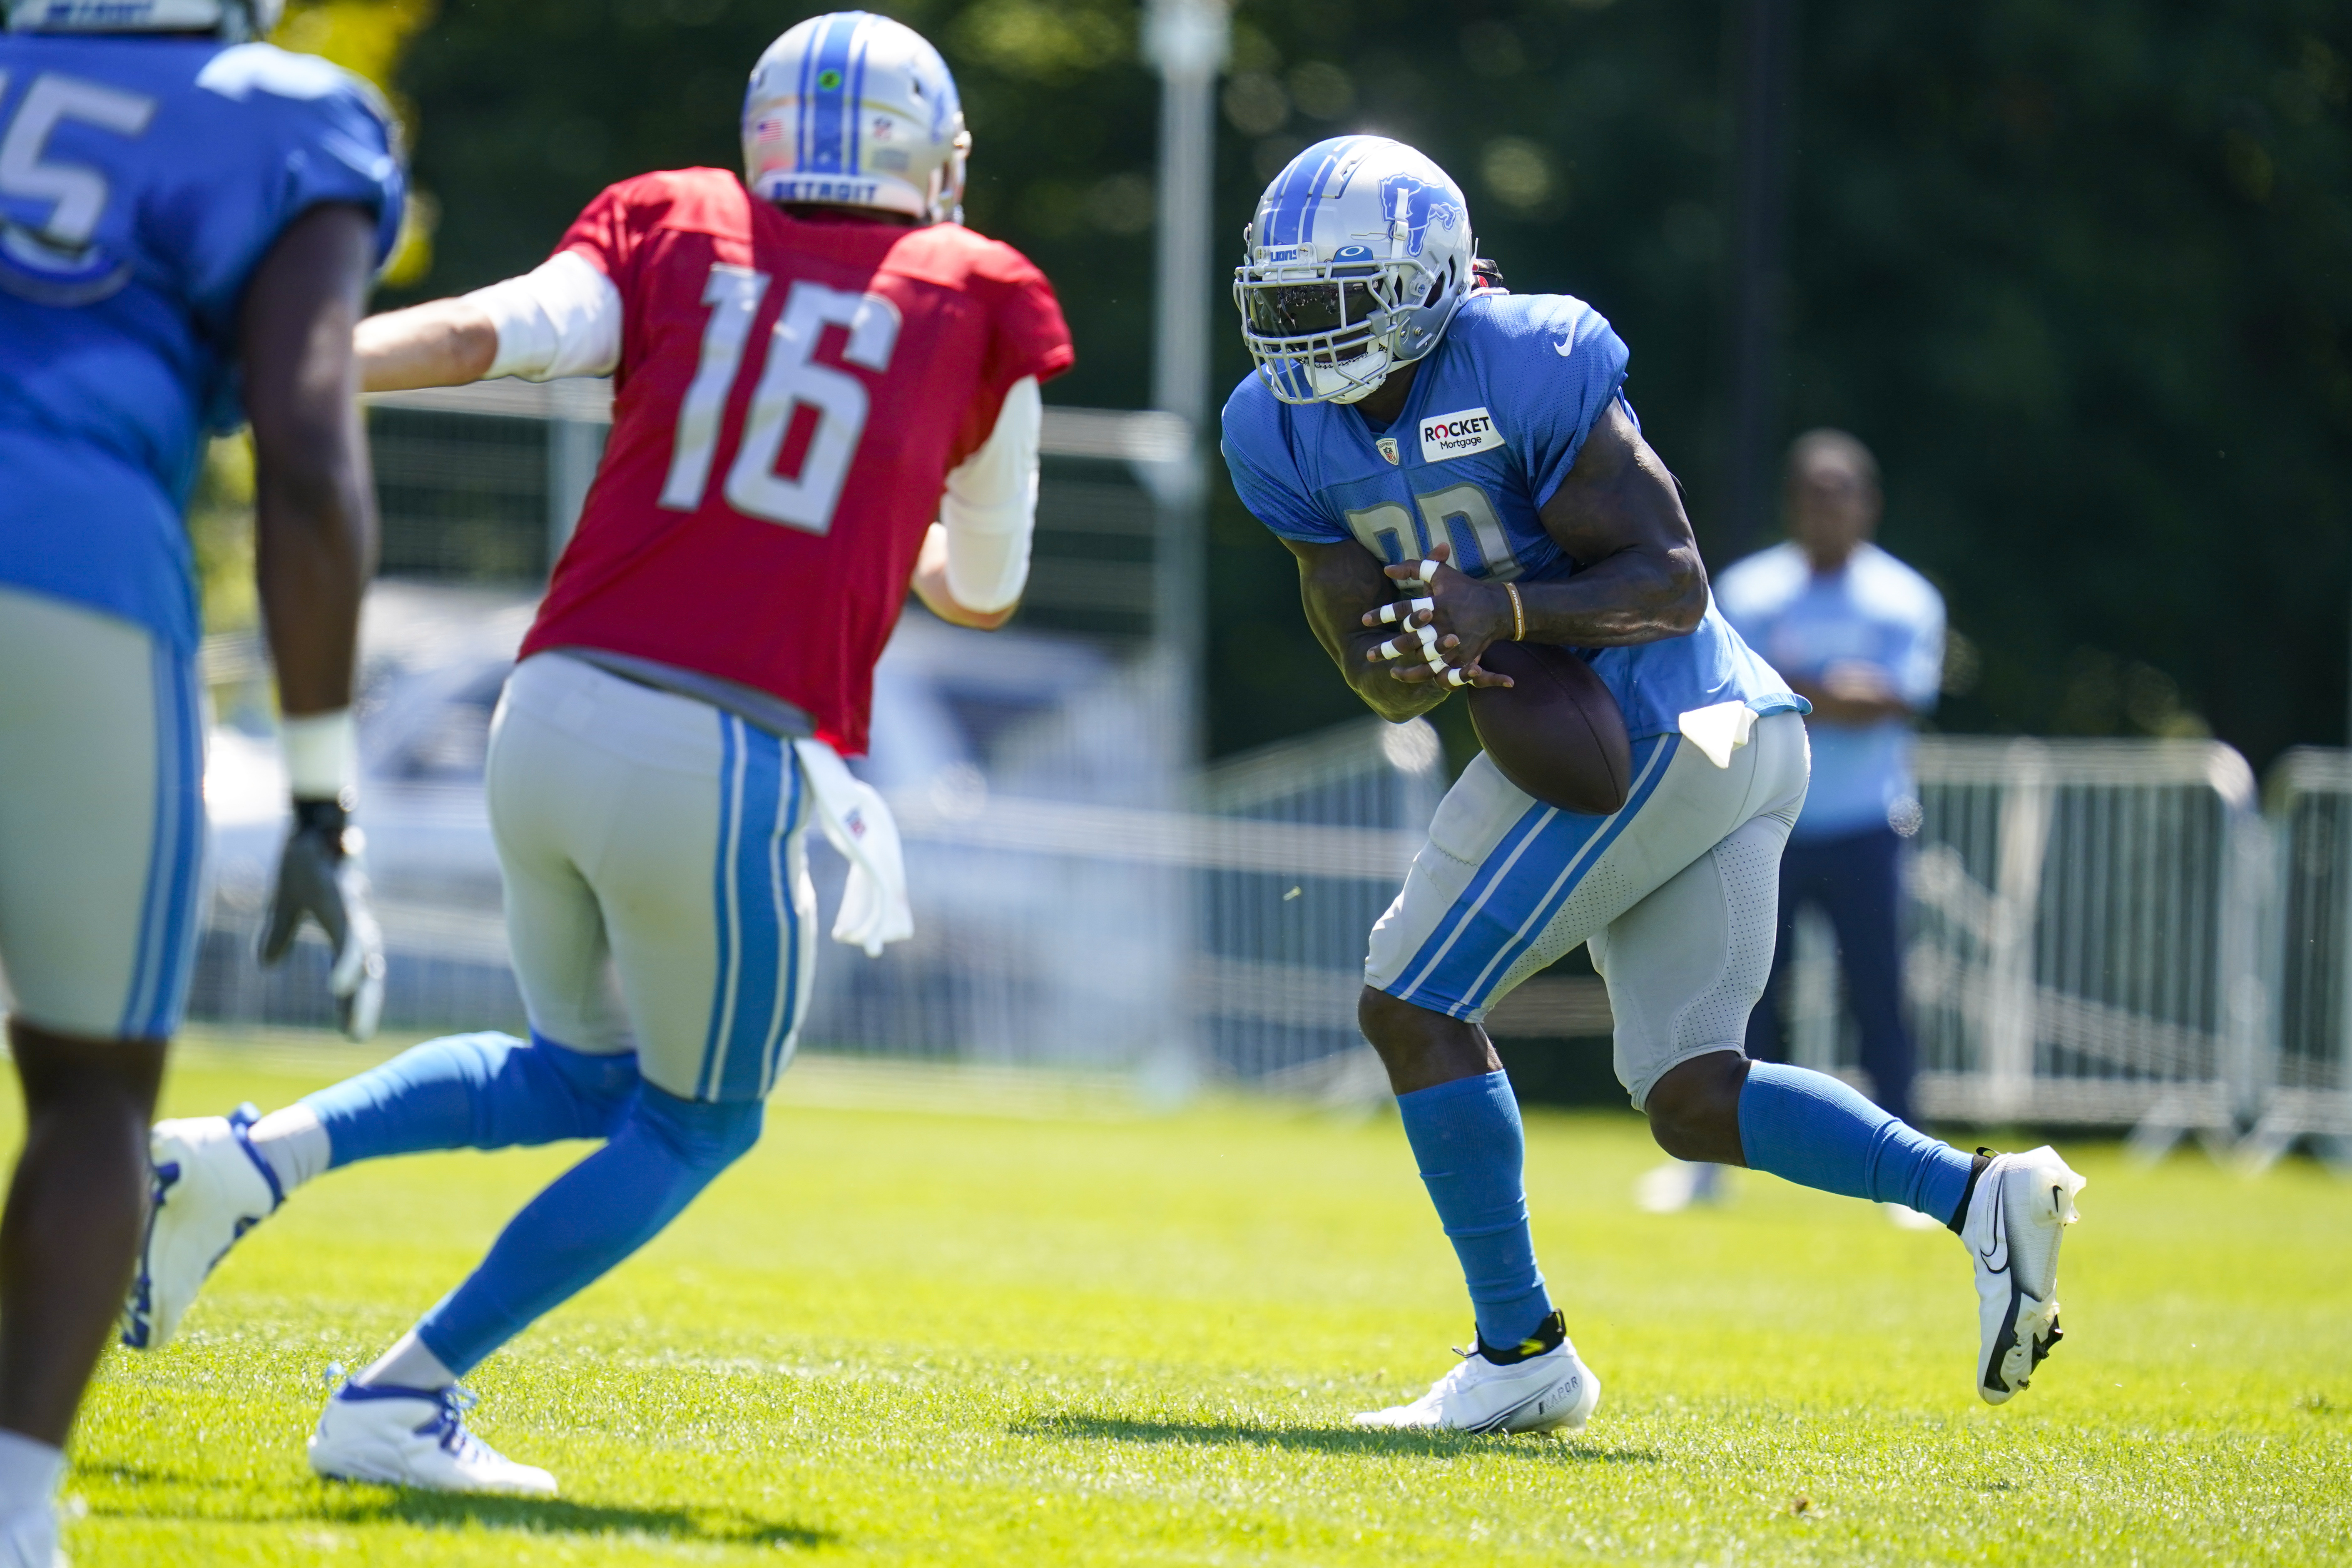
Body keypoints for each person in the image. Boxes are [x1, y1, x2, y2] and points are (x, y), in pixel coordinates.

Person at [122, 11, 1072, 1497]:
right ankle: (400, 1392)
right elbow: (989, 581)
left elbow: (476, 335)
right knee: (701, 1121)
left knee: (582, 1075)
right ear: (924, 161)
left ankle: (248, 1158)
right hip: (720, 749)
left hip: (547, 709)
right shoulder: (981, 295)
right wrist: (880, 510)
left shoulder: (675, 220)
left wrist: (279, 367)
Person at [1221, 135, 2084, 1434]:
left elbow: (1672, 576)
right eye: (1288, 302)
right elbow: (1372, 666)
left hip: (1662, 724)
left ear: (1432, 276)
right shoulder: (1274, 430)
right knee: (1690, 1090)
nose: (1310, 333)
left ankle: (1519, 1350)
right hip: (1735, 741)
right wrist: (1411, 653)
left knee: (1411, 999)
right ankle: (1982, 1195)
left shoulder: (1525, 357)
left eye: (1339, 297)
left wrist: (1501, 605)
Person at [0, 2, 402, 1561]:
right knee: (95, 1088)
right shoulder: (285, 116)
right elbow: (308, 453)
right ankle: (16, 1508)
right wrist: (319, 787)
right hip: (75, 587)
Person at [1695, 431, 1946, 1217]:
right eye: (1812, 493)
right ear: (1793, 503)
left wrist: (1795, 687)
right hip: (1765, 822)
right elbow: (1729, 695)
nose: (1825, 508)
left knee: (1878, 999)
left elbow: (1900, 697)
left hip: (1867, 824)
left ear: (1866, 504)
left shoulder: (1905, 596)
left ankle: (1912, 1175)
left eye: (1840, 494)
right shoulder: (1747, 586)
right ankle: (1715, 1165)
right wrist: (1840, 690)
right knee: (1740, 996)